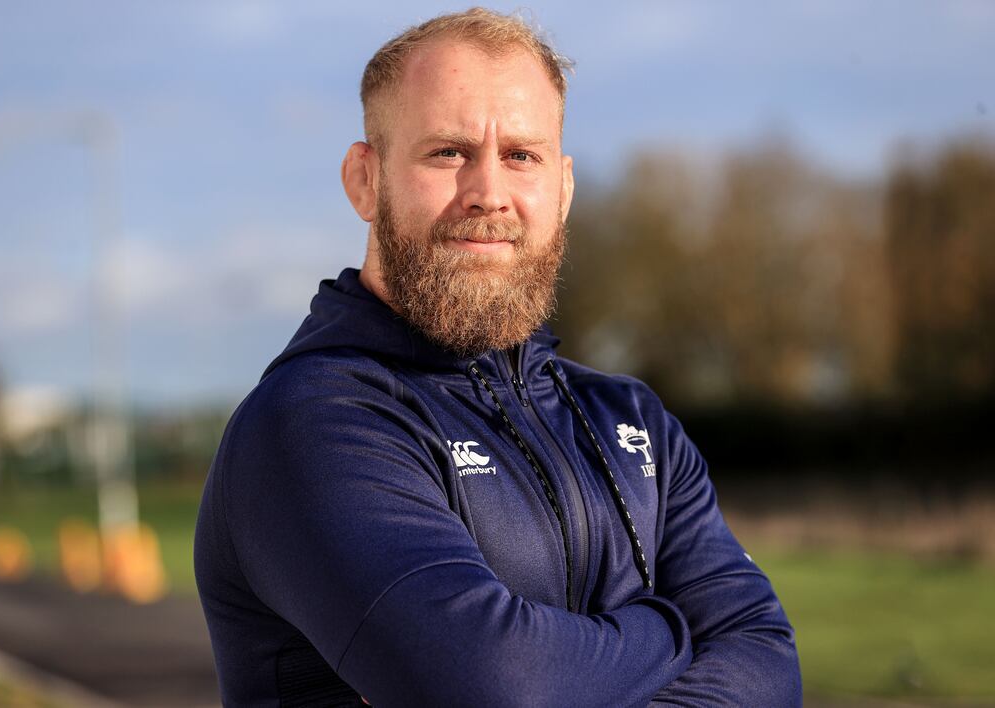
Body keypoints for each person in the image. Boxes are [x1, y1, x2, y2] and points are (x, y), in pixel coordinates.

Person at [194, 8, 801, 707]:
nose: (488, 193)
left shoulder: (634, 421)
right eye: (447, 152)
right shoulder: (311, 423)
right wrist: (674, 632)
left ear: (563, 189)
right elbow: (494, 683)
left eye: (521, 155)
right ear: (365, 180)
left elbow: (768, 668)